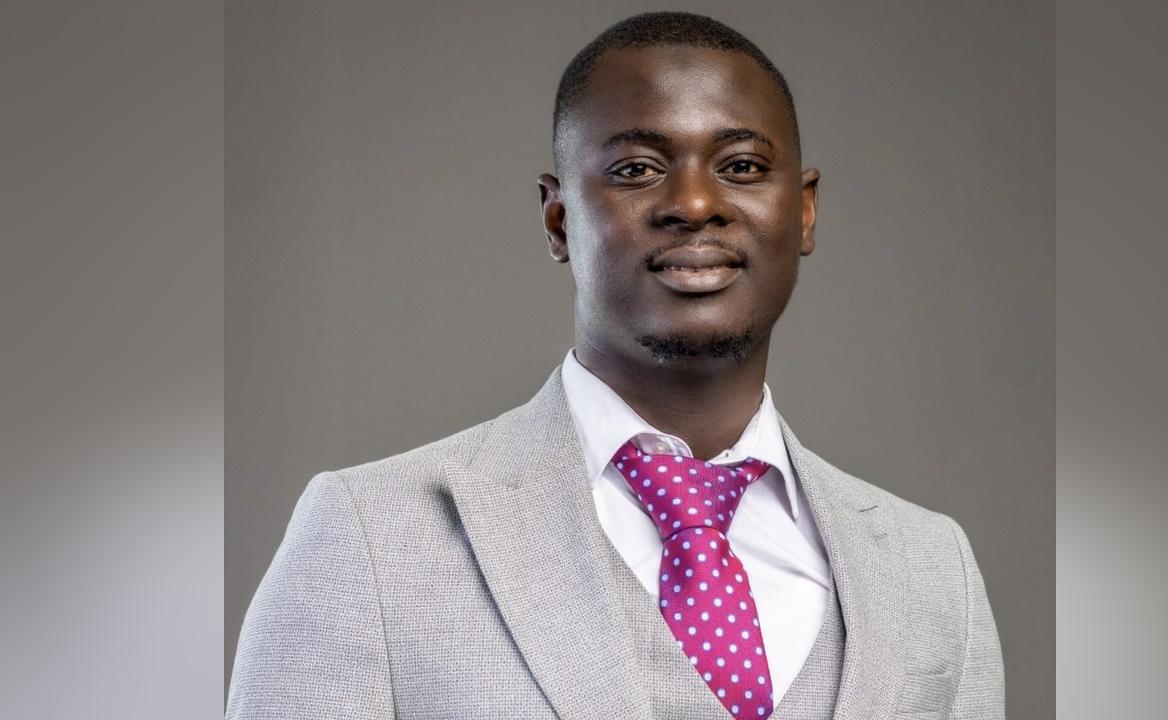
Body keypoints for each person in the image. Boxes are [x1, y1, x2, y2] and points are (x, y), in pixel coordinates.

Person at [227, 11, 1004, 720]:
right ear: (559, 218)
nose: (694, 204)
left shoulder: (934, 569)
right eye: (636, 169)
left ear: (802, 210)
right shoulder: (370, 539)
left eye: (741, 166)